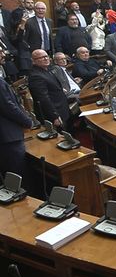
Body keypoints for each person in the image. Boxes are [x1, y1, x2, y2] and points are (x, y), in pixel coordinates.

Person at [0, 50, 33, 182]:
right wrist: (28, 122)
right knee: (17, 178)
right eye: (0, 52)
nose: (3, 55)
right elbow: (8, 107)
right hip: (8, 137)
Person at [28, 50, 70, 130]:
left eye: (46, 56)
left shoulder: (46, 70)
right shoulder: (36, 76)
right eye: (41, 57)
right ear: (33, 61)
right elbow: (43, 98)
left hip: (61, 107)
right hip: (54, 112)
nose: (46, 59)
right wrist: (54, 116)